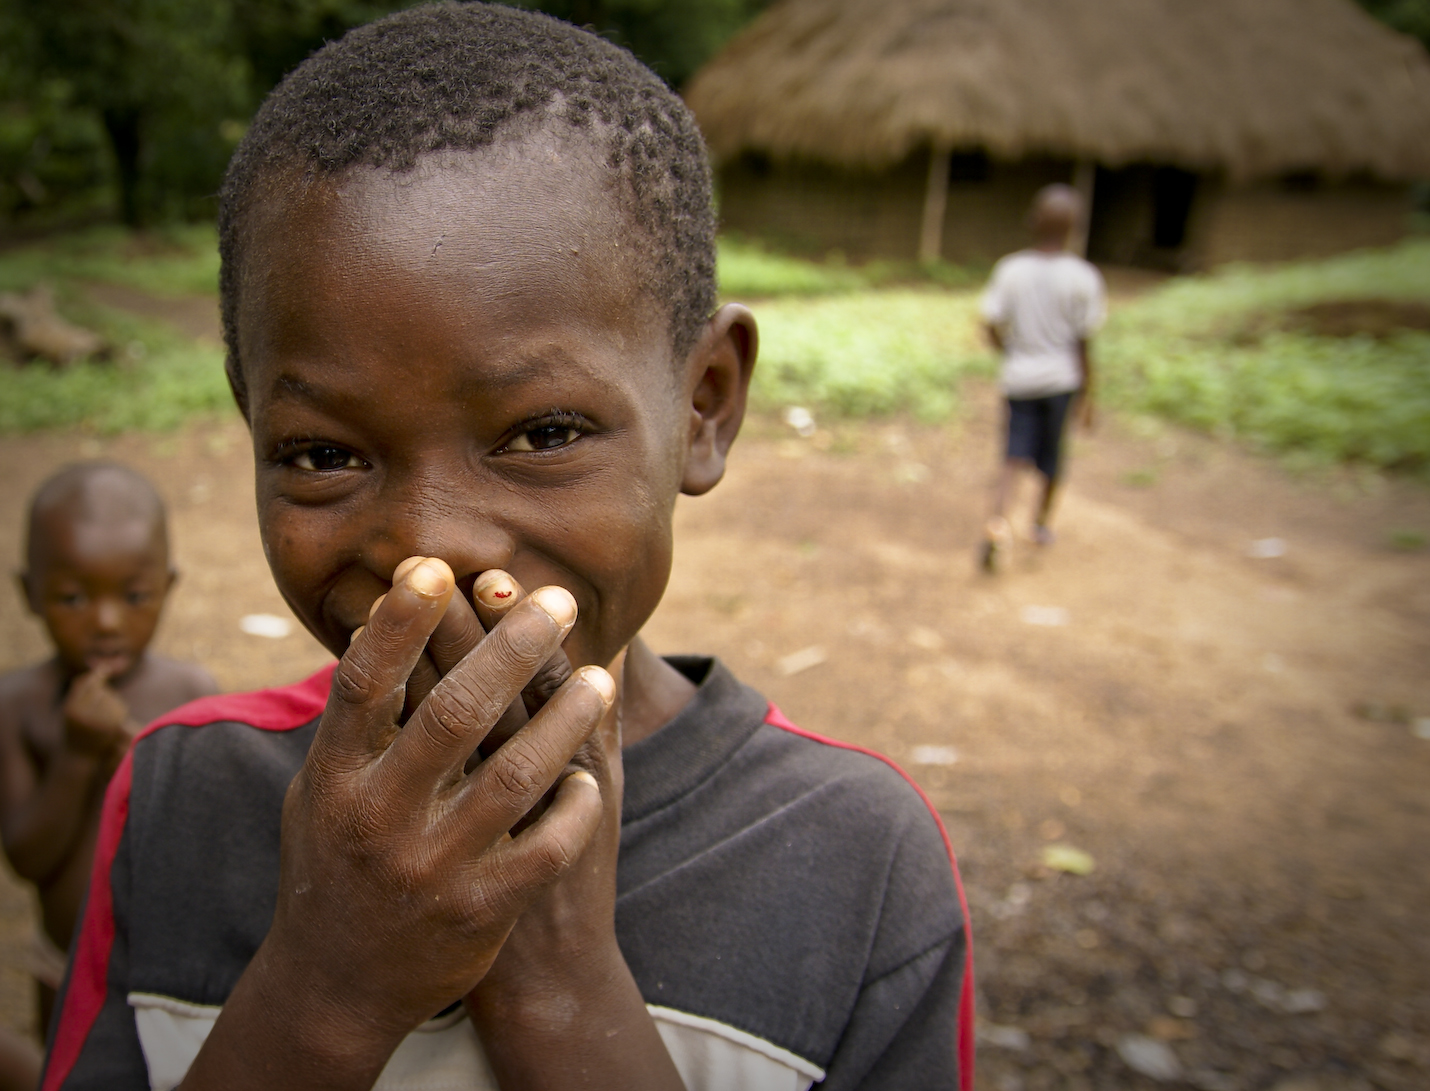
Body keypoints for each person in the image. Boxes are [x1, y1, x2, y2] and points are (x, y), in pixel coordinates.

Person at [43, 7, 973, 1090]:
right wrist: (326, 987)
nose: (428, 550)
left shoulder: (851, 861)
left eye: (542, 433)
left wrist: (559, 986)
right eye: (321, 453)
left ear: (704, 404)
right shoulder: (177, 794)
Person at [0, 463, 218, 1058]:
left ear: (168, 587)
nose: (105, 621)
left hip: (169, 967)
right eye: (72, 597)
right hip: (63, 964)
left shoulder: (192, 694)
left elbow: (211, 841)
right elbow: (27, 857)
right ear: (28, 593)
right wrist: (76, 756)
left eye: (134, 595)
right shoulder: (17, 706)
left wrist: (154, 768)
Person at [978, 183, 1106, 572]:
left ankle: (998, 522)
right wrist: (1088, 394)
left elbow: (990, 324)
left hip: (1019, 378)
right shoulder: (1083, 277)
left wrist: (1012, 353)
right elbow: (1084, 343)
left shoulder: (1011, 269)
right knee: (1052, 458)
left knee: (1012, 456)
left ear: (1033, 221)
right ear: (1074, 227)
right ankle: (1040, 525)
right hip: (1060, 382)